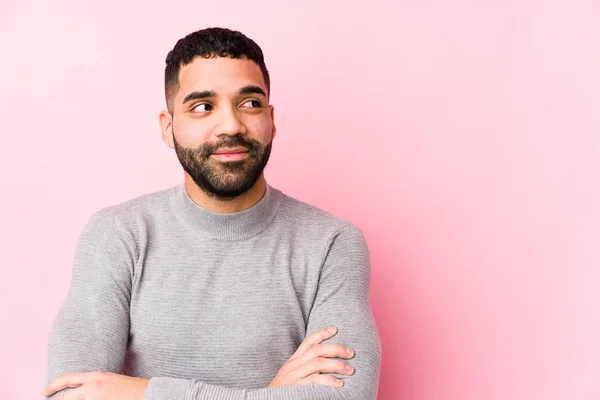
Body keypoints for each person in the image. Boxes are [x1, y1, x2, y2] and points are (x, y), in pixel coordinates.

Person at [43, 27, 382, 400]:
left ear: (271, 119)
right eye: (203, 107)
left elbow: (344, 396)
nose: (231, 125)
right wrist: (269, 393)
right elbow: (69, 395)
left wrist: (141, 392)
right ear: (169, 128)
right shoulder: (118, 235)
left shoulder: (332, 243)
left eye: (249, 103)